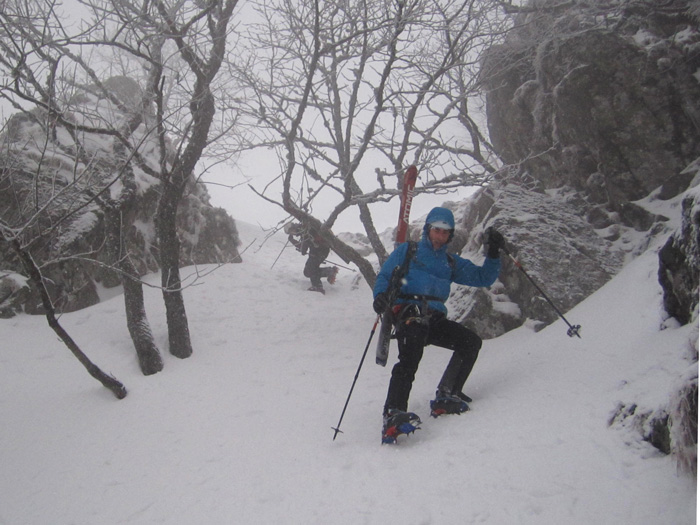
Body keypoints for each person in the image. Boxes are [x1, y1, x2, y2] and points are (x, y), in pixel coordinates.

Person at [372, 206, 504, 443]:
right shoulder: (409, 251)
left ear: (450, 235)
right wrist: (381, 296)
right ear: (428, 230)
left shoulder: (450, 263)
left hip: (434, 317)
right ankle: (393, 412)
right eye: (437, 230)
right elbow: (384, 275)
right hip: (409, 312)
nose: (440, 235)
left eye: (445, 232)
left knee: (470, 342)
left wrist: (493, 253)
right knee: (410, 355)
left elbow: (483, 277)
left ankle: (447, 395)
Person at [285, 222, 339, 295]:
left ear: (293, 228)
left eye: (291, 232)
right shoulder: (306, 228)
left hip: (318, 252)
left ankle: (318, 286)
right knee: (307, 272)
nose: (293, 234)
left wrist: (292, 240)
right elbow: (305, 245)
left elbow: (303, 249)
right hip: (321, 251)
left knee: (310, 270)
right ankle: (329, 271)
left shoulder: (305, 231)